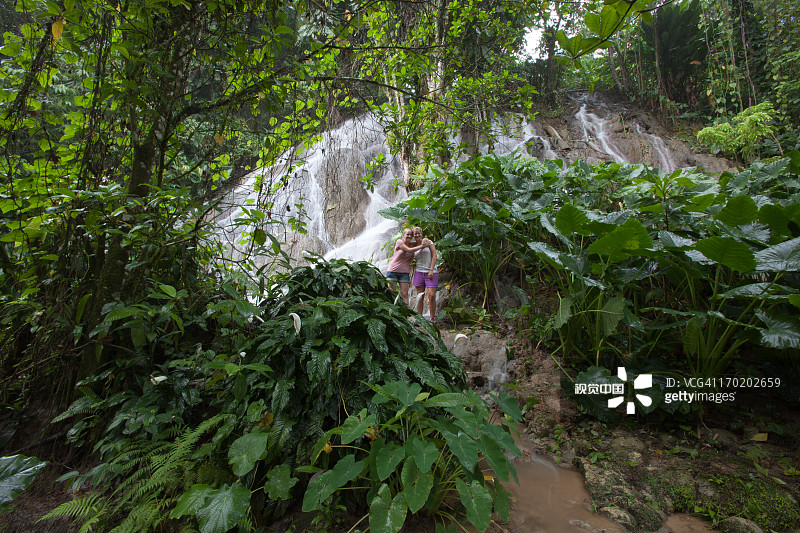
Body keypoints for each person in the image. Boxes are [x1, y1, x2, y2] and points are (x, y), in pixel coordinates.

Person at [386, 227, 430, 305]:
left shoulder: (412, 244)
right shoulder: (399, 242)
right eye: (407, 234)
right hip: (393, 270)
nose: (409, 236)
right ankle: (391, 314)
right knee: (391, 293)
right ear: (403, 235)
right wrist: (422, 246)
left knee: (405, 294)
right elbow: (409, 250)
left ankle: (406, 314)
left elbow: (420, 241)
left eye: (411, 235)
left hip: (404, 272)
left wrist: (425, 239)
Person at [411, 227, 438, 320]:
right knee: (420, 296)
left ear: (421, 233)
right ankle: (419, 318)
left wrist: (431, 269)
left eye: (419, 233)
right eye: (415, 234)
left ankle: (432, 318)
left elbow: (434, 255)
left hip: (431, 272)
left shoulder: (428, 242)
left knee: (432, 295)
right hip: (419, 272)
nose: (417, 235)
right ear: (413, 235)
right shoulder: (413, 245)